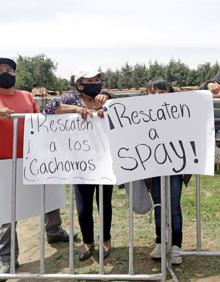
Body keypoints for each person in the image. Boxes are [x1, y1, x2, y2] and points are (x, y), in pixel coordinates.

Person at [0, 58, 76, 279]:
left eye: (9, 70)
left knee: (49, 197)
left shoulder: (26, 96)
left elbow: (40, 121)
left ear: (15, 73)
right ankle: (7, 258)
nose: (5, 72)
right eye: (0, 70)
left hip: (34, 156)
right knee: (7, 212)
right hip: (4, 162)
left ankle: (54, 232)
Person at [44, 66, 113, 261]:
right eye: (89, 82)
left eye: (97, 81)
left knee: (104, 204)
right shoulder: (70, 99)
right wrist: (76, 109)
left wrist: (105, 101)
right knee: (83, 208)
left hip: (104, 162)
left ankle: (106, 241)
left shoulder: (106, 99)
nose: (95, 85)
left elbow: (119, 112)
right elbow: (49, 108)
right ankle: (88, 242)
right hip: (79, 164)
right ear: (79, 85)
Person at [146, 77, 191, 265]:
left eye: (161, 91)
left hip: (174, 168)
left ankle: (175, 246)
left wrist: (187, 167)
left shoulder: (180, 113)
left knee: (173, 206)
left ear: (170, 93)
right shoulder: (141, 115)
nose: (157, 95)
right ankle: (160, 242)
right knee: (158, 205)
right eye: (152, 92)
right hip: (153, 167)